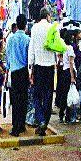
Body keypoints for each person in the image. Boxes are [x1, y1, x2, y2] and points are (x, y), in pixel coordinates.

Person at [28, 7, 56, 136]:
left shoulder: (35, 28)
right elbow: (57, 48)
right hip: (50, 66)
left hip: (38, 66)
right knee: (48, 96)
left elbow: (31, 49)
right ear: (48, 16)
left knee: (37, 95)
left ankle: (41, 120)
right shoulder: (52, 28)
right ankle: (44, 121)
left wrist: (30, 68)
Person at [6, 14, 30, 137]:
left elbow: (8, 57)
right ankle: (21, 125)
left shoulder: (10, 39)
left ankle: (15, 126)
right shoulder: (27, 39)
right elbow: (29, 58)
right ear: (25, 25)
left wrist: (8, 70)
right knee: (24, 99)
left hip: (14, 72)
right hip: (24, 72)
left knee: (15, 100)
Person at [56, 28, 76, 123]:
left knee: (64, 94)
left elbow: (59, 56)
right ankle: (68, 116)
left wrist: (62, 60)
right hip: (68, 71)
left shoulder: (62, 47)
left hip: (63, 71)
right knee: (68, 95)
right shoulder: (70, 48)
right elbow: (71, 63)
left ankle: (61, 115)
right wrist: (72, 76)